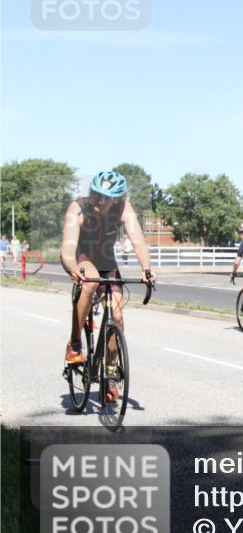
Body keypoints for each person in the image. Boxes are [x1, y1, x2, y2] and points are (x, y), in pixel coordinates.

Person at [61, 170, 157, 402]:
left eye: (105, 197)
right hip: (83, 257)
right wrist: (73, 268)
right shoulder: (78, 208)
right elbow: (68, 248)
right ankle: (75, 343)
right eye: (96, 194)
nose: (98, 200)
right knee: (90, 281)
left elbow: (138, 242)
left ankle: (111, 373)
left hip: (107, 261)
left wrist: (146, 268)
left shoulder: (124, 208)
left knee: (116, 315)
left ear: (116, 199)